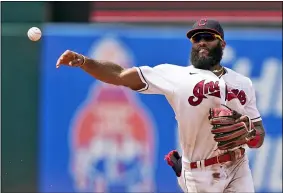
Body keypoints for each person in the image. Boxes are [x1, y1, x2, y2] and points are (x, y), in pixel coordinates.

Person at [56, 19, 265, 193]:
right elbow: (119, 75)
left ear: (222, 45)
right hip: (201, 173)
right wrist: (84, 61)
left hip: (238, 166)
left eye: (208, 38)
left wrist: (249, 135)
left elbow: (258, 135)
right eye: (196, 38)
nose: (201, 42)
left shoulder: (242, 83)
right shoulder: (174, 75)